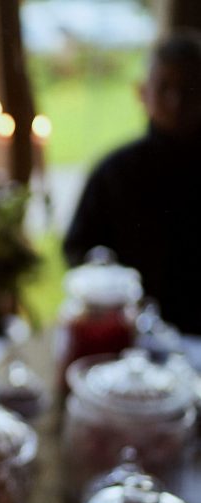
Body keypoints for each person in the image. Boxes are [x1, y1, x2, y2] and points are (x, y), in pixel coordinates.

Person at [63, 29, 201, 335]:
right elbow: (79, 250)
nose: (176, 101)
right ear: (142, 92)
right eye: (164, 88)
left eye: (190, 89)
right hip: (128, 338)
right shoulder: (113, 173)